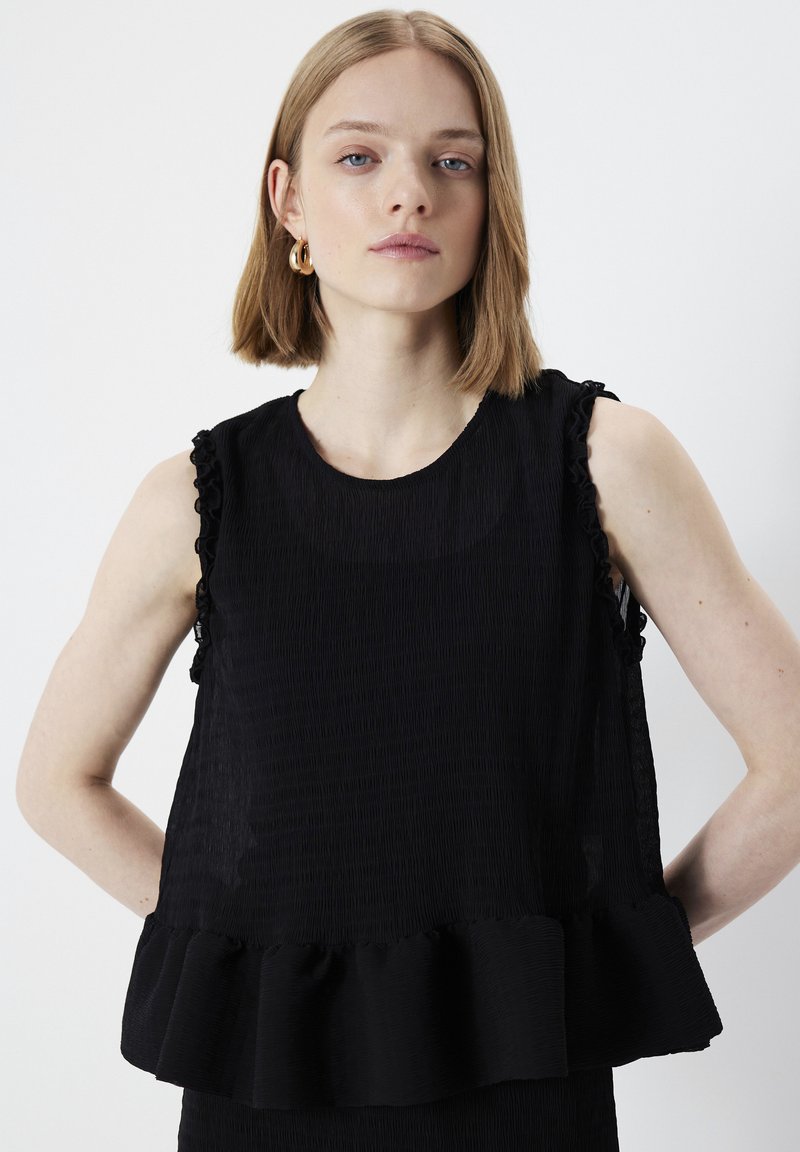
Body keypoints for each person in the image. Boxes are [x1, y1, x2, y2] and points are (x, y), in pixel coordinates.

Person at [15, 9, 800, 1151]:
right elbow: (56, 783)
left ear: (491, 199)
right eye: (358, 157)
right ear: (287, 200)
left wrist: (609, 951)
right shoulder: (194, 500)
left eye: (452, 162)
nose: (408, 195)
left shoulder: (602, 462)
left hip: (524, 1092)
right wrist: (243, 946)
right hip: (267, 1096)